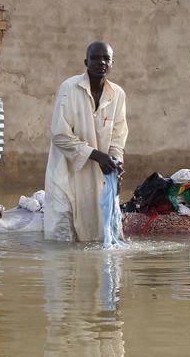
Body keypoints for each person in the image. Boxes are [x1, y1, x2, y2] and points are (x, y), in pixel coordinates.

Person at [44, 41, 128, 242]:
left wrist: (115, 164)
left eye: (106, 58)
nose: (101, 62)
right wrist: (98, 155)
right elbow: (60, 135)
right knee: (64, 233)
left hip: (100, 172)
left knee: (100, 232)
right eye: (95, 58)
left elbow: (118, 134)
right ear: (86, 62)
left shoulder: (117, 94)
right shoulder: (69, 88)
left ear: (112, 63)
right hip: (67, 169)